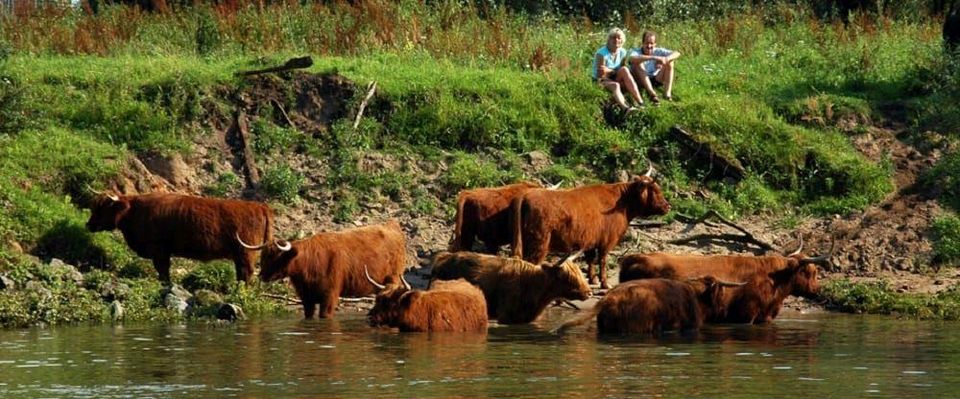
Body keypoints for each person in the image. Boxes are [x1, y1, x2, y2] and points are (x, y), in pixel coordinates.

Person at [592, 28, 645, 112]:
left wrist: (610, 71)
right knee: (616, 85)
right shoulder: (601, 54)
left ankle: (640, 102)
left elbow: (623, 69)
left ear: (622, 41)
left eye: (619, 38)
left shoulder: (622, 52)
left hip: (613, 76)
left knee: (624, 69)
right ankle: (626, 109)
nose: (616, 40)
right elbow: (600, 75)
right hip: (601, 80)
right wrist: (612, 72)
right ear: (609, 39)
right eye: (613, 37)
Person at [628, 30, 680, 105]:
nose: (649, 46)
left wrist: (665, 59)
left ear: (655, 44)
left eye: (651, 43)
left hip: (656, 78)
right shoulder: (635, 51)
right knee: (637, 63)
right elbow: (632, 59)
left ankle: (667, 95)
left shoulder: (659, 51)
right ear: (642, 43)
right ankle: (652, 94)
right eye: (647, 43)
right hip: (640, 80)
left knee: (670, 62)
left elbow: (677, 53)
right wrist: (654, 58)